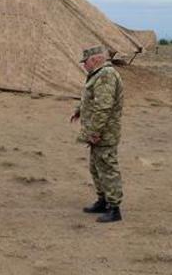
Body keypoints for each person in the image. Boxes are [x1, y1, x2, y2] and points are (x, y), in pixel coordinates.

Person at [70, 45, 124, 223]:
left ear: (94, 60)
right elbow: (91, 98)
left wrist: (95, 132)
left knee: (107, 169)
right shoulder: (98, 75)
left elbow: (103, 107)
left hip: (104, 134)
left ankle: (114, 208)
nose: (84, 65)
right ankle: (102, 201)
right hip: (98, 133)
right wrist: (79, 110)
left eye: (85, 62)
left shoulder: (106, 75)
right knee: (96, 168)